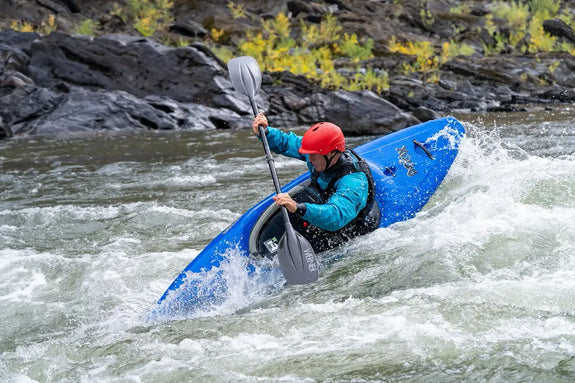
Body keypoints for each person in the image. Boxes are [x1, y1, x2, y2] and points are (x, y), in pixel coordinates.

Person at [252, 113, 380, 253]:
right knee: (303, 197)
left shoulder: (353, 182)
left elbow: (335, 217)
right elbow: (287, 142)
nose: (309, 158)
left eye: (314, 155)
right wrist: (266, 132)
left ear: (332, 153)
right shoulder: (318, 151)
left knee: (302, 206)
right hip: (325, 201)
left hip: (347, 226)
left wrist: (298, 208)